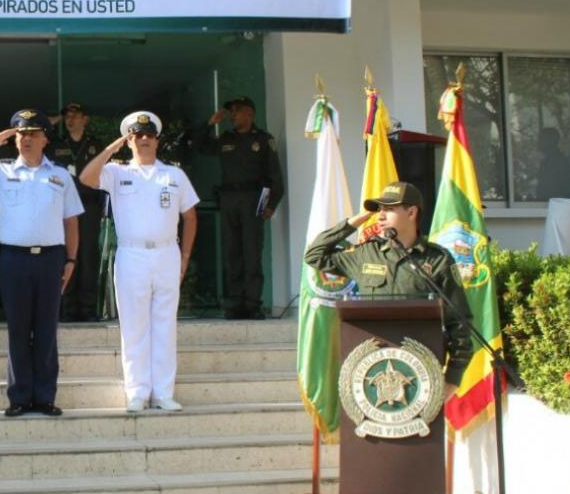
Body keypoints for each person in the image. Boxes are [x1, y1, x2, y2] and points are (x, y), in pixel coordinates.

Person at [0, 109, 83, 417]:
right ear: (14, 140)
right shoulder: (1, 170)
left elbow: (71, 222)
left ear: (45, 139)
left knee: (46, 329)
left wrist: (71, 259)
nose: (27, 140)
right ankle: (20, 397)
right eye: (22, 135)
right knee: (18, 329)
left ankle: (45, 397)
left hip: (51, 259)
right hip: (14, 259)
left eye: (33, 134)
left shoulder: (61, 175)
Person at [80, 111, 199, 412]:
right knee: (134, 326)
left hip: (166, 253)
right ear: (129, 140)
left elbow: (190, 216)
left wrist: (185, 257)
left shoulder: (173, 175)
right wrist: (111, 148)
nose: (144, 139)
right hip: (131, 254)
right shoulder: (117, 172)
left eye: (149, 135)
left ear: (157, 141)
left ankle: (163, 393)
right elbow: (86, 177)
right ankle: (137, 391)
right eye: (137, 135)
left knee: (165, 324)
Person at [304, 181, 472, 391]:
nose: (381, 216)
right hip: (370, 372)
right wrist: (355, 221)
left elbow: (460, 322)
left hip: (421, 374)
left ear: (411, 212)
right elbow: (314, 255)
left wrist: (453, 379)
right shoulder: (366, 254)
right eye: (380, 209)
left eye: (389, 209)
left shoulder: (438, 259)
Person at [195, 96, 285, 320]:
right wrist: (209, 124)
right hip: (229, 199)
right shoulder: (226, 139)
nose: (233, 115)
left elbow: (274, 175)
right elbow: (201, 146)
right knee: (232, 253)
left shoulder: (263, 140)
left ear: (249, 114)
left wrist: (271, 204)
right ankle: (234, 304)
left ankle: (253, 304)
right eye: (232, 112)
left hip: (253, 199)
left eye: (237, 111)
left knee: (252, 252)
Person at [49, 103, 105, 321]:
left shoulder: (95, 145)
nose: (70, 120)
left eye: (75, 115)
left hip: (89, 206)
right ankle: (67, 308)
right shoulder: (56, 144)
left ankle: (87, 309)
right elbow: (35, 134)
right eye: (67, 116)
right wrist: (54, 120)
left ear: (85, 119)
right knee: (66, 256)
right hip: (63, 208)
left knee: (88, 256)